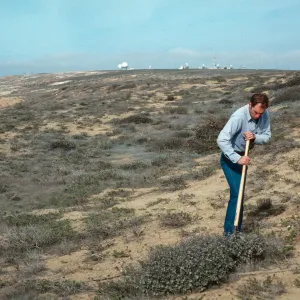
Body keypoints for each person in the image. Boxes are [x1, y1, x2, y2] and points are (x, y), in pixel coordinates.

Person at [217, 93, 271, 235]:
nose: (258, 116)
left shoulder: (263, 114)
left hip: (244, 157)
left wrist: (255, 137)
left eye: (261, 113)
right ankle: (229, 235)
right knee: (237, 194)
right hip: (230, 158)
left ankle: (237, 230)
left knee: (240, 195)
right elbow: (222, 139)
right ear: (249, 105)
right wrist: (236, 158)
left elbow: (266, 136)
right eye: (255, 112)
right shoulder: (238, 117)